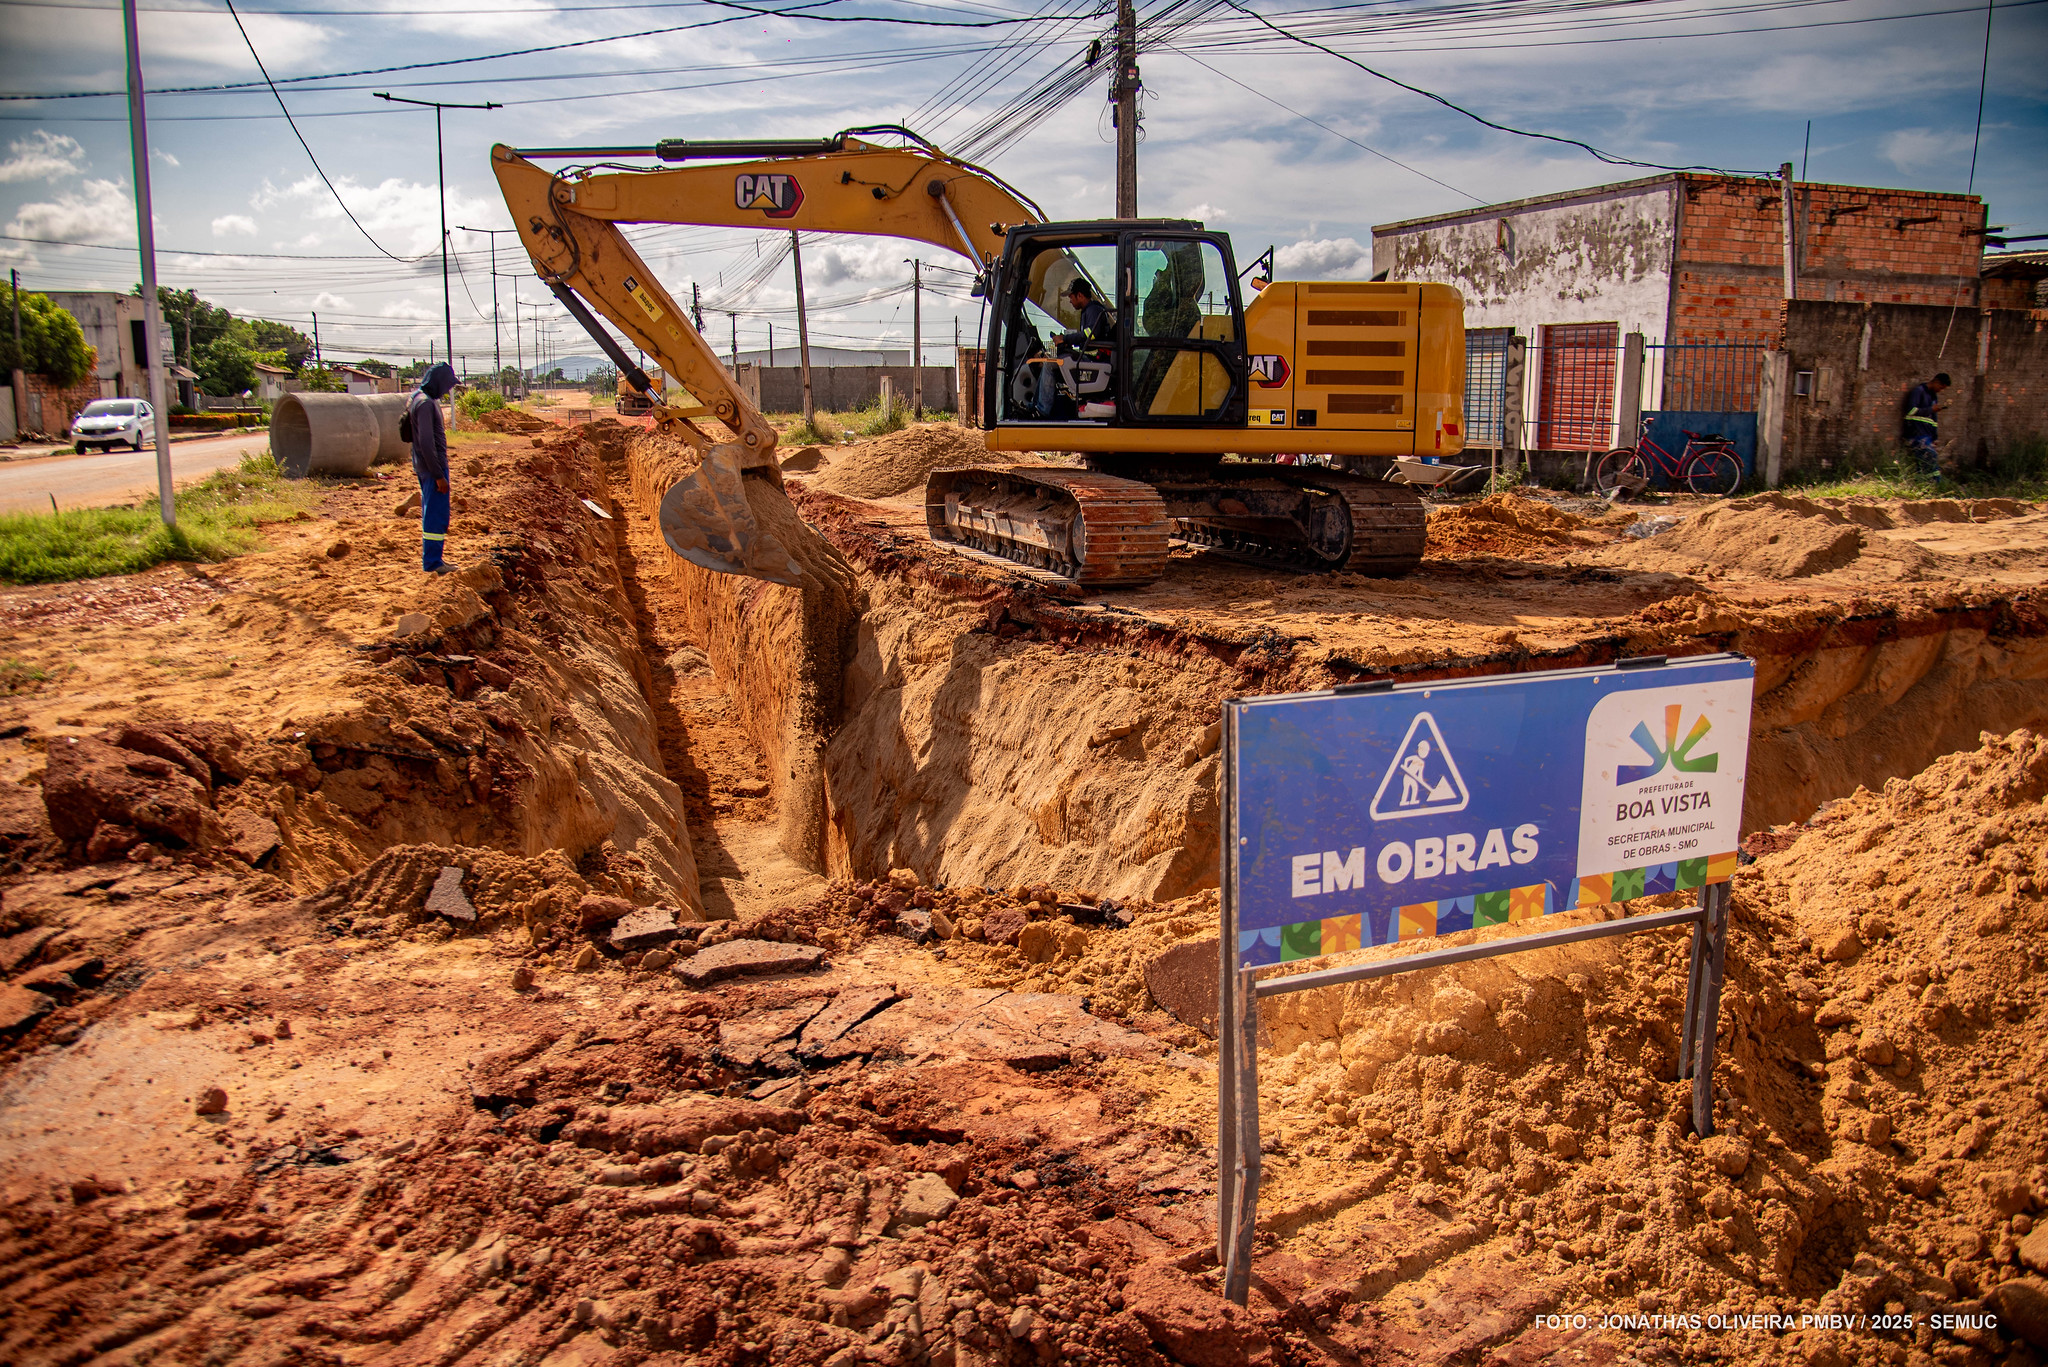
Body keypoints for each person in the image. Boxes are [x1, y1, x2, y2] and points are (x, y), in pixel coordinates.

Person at [1034, 279, 1114, 418]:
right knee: (1051, 364)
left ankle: (1042, 410)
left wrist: (1065, 339)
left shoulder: (1094, 310)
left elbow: (1091, 334)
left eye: (1071, 297)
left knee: (1049, 365)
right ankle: (1037, 405)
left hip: (1094, 360)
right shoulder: (1088, 311)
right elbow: (1086, 336)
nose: (1070, 301)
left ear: (1080, 296)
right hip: (1091, 358)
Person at [409, 362, 459, 573]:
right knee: (436, 515)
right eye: (447, 385)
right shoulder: (426, 404)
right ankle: (432, 562)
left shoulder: (416, 398)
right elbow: (427, 443)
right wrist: (439, 475)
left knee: (432, 511)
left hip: (424, 466)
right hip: (432, 468)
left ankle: (433, 559)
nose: (448, 390)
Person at [1902, 372, 1949, 481]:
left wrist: (1935, 437)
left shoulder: (1933, 396)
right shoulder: (1918, 391)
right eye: (1941, 387)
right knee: (1930, 457)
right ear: (1936, 382)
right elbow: (1911, 410)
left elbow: (1933, 419)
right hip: (1916, 434)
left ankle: (1923, 483)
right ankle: (1933, 484)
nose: (1940, 390)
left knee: (1924, 462)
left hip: (1927, 435)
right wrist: (1931, 410)